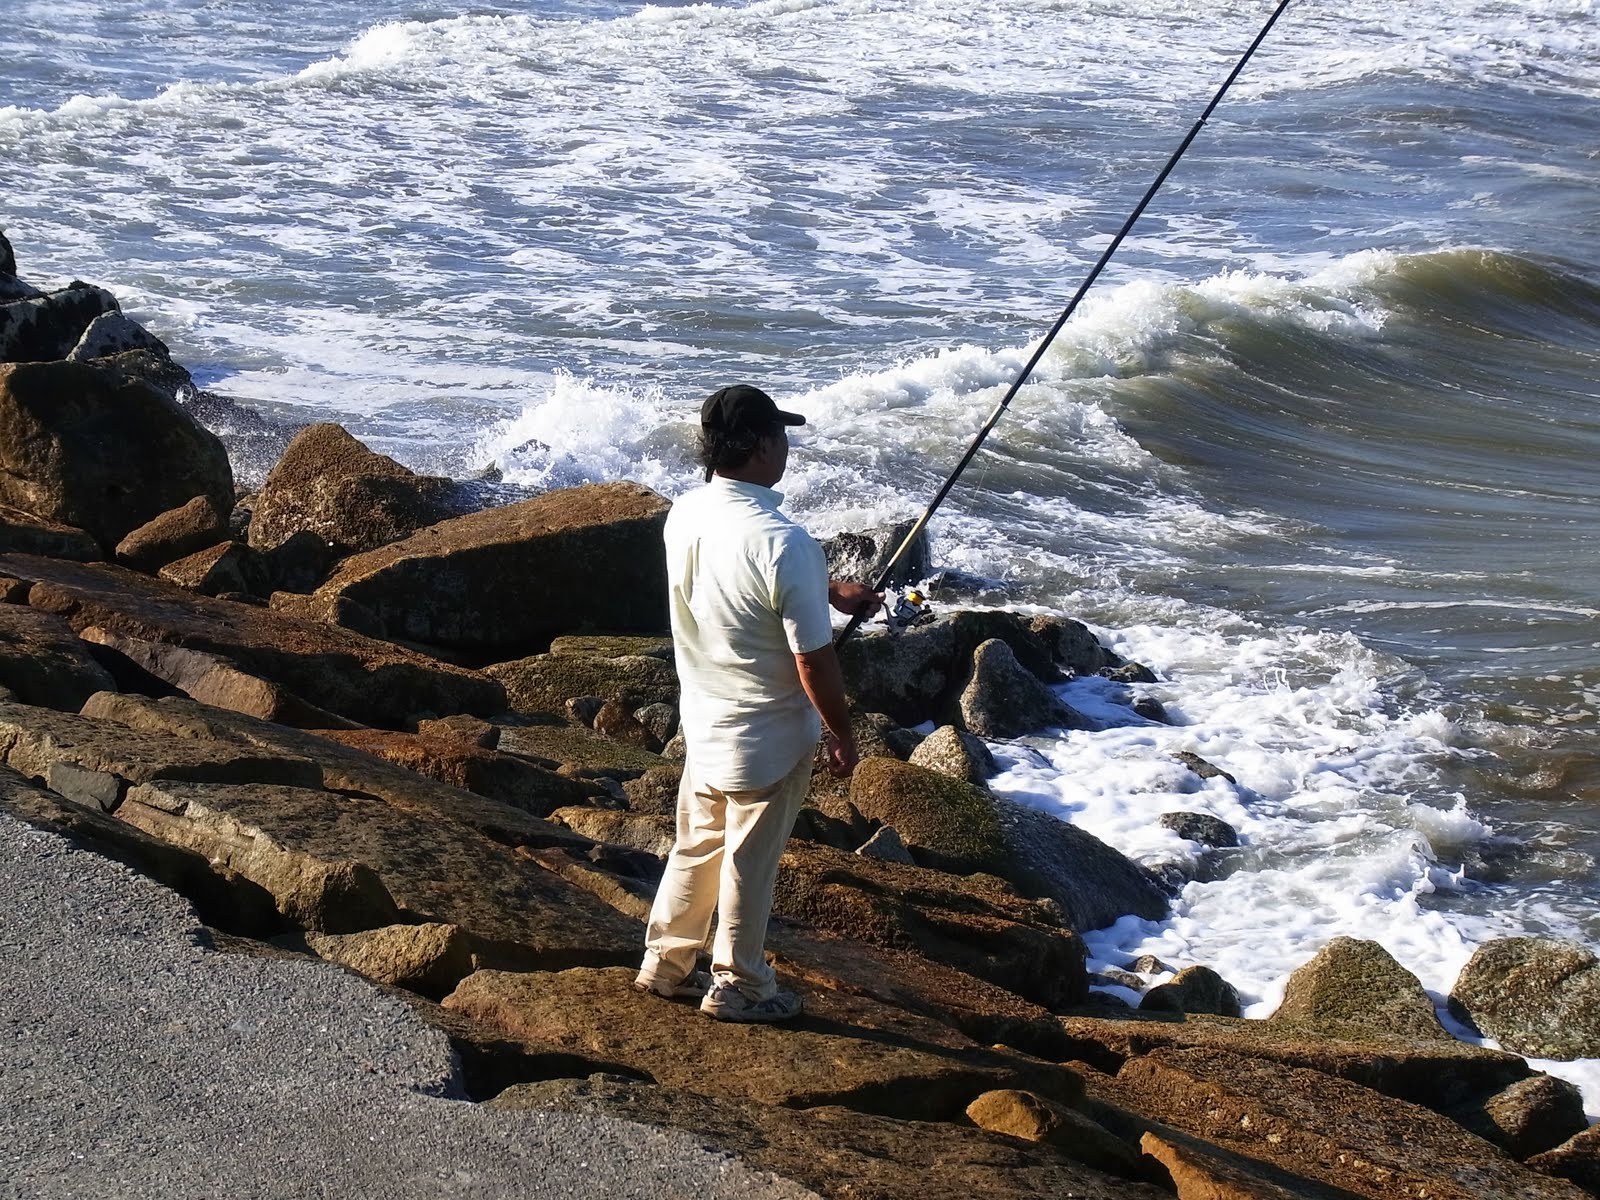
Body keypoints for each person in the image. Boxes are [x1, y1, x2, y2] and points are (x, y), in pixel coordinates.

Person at [635, 384, 881, 1023]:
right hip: (768, 737)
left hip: (705, 722)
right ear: (764, 445)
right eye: (783, 435)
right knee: (750, 863)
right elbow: (814, 660)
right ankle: (740, 986)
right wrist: (841, 731)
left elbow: (737, 574)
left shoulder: (686, 512)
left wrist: (829, 592)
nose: (787, 447)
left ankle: (663, 965)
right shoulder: (787, 540)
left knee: (697, 846)